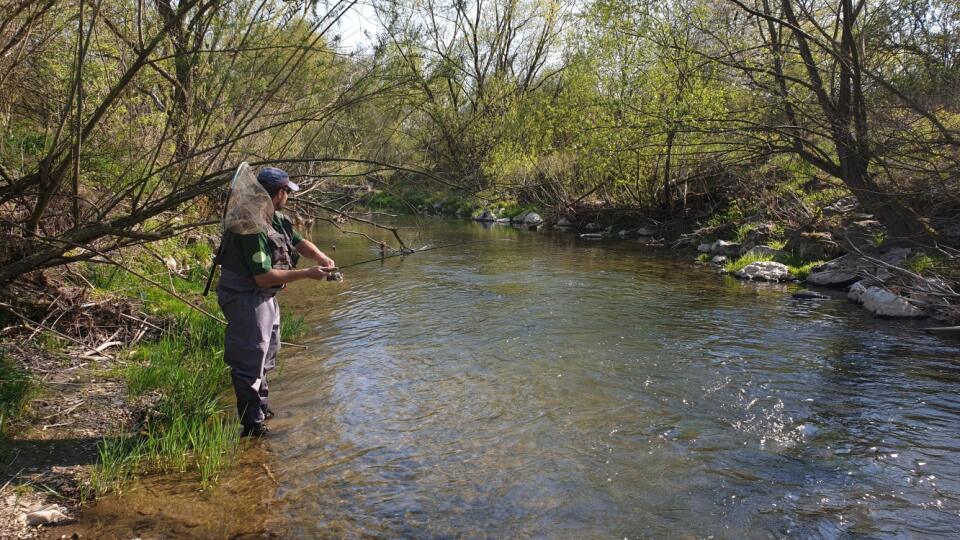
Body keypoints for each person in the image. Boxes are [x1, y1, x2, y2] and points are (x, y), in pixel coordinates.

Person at [216, 167, 335, 438]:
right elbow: (263, 277)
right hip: (246, 297)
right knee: (249, 358)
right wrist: (307, 274)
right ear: (278, 193)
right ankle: (252, 424)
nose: (288, 197)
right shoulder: (250, 226)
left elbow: (298, 241)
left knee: (268, 351)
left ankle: (261, 406)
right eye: (286, 192)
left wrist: (320, 257)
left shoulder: (275, 218)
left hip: (264, 296)